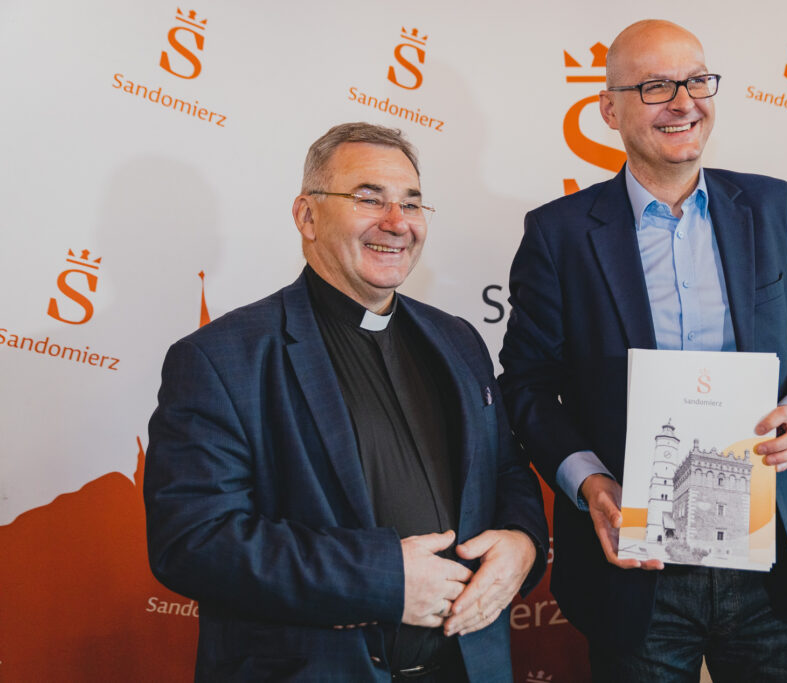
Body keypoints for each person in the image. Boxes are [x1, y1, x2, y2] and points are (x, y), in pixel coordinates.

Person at [498, 19, 787, 682]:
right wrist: (590, 481)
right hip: (634, 568)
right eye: (655, 86)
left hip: (770, 561)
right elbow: (527, 384)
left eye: (696, 81)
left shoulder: (773, 206)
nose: (683, 102)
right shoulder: (559, 234)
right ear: (609, 109)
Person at [144, 122, 548, 683]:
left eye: (411, 203)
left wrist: (523, 543)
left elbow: (505, 469)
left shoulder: (459, 340)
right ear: (307, 216)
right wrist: (384, 579)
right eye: (368, 199)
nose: (397, 222)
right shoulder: (222, 358)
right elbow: (194, 541)